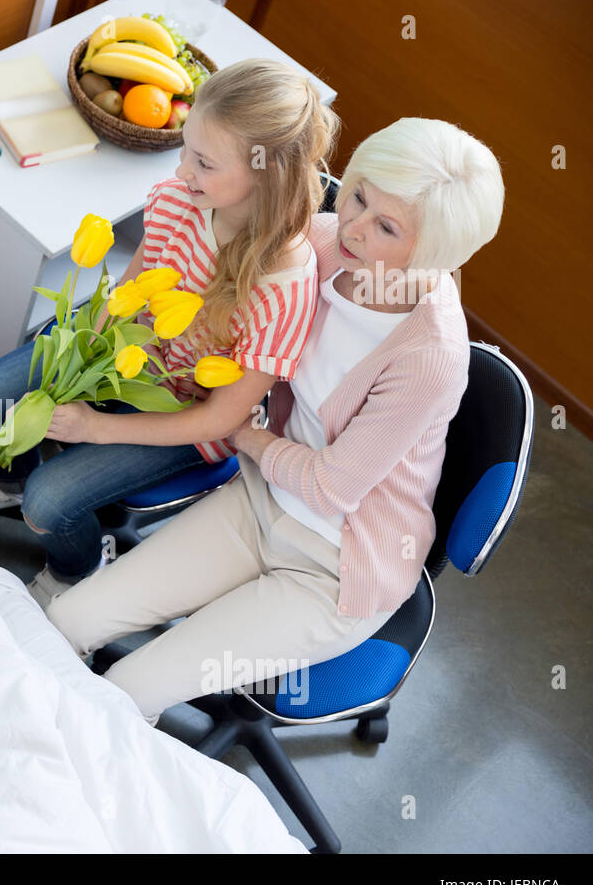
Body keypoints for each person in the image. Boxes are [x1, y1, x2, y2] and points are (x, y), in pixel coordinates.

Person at [46, 117, 505, 723]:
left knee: (129, 688)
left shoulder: (429, 357)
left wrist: (241, 431)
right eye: (359, 195)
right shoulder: (319, 243)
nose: (354, 228)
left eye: (386, 227)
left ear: (432, 254)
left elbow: (332, 486)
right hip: (260, 503)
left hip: (338, 567)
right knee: (64, 622)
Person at [0, 59, 338, 608]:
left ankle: (76, 568)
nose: (182, 172)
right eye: (186, 150)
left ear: (265, 174)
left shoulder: (282, 286)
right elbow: (126, 295)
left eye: (202, 162)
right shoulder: (184, 201)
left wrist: (94, 428)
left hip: (186, 415)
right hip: (123, 359)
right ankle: (8, 480)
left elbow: (221, 417)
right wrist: (80, 363)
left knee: (47, 502)